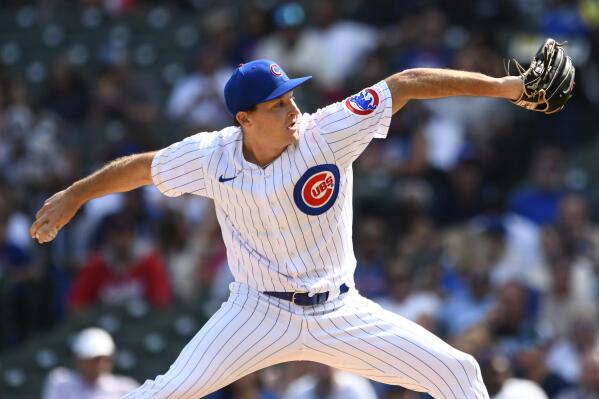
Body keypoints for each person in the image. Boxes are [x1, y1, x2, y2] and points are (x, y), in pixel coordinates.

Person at [31, 56, 536, 399]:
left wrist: (506, 87)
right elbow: (143, 166)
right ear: (244, 119)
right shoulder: (212, 156)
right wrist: (75, 194)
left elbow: (405, 85)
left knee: (459, 372)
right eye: (278, 104)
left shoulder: (328, 132)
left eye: (291, 97)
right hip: (257, 311)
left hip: (340, 309)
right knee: (168, 391)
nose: (293, 109)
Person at [41, 327, 138, 399]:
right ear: (78, 359)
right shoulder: (60, 382)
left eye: (101, 359)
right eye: (90, 360)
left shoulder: (126, 388)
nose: (97, 365)